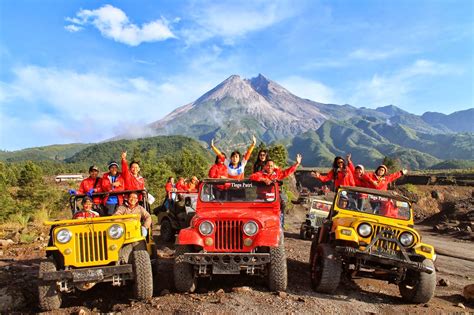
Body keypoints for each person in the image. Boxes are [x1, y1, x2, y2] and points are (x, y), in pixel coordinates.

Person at [250, 154, 302, 227]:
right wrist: (264, 179)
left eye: (271, 166)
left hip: (274, 199)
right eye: (268, 165)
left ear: (274, 166)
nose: (270, 167)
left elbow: (287, 172)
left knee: (282, 206)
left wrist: (297, 164)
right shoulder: (260, 174)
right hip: (262, 198)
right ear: (265, 166)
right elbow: (252, 177)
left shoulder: (277, 174)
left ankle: (280, 226)